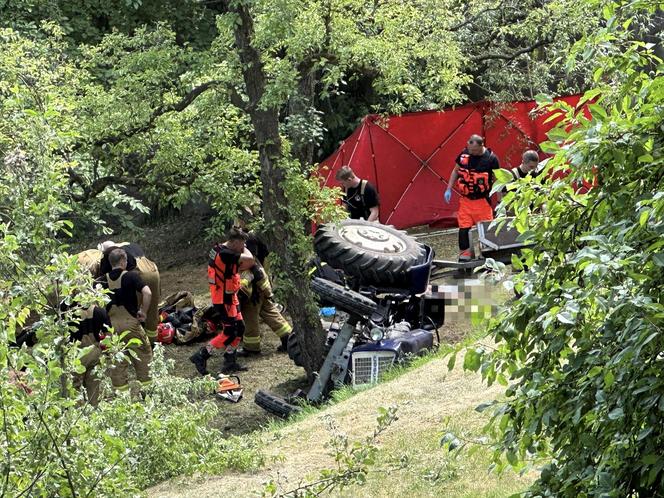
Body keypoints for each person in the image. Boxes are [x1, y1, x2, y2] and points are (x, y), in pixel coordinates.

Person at [189, 227, 255, 375]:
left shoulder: (218, 248)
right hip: (223, 299)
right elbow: (250, 260)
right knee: (230, 331)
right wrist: (245, 249)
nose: (244, 246)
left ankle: (230, 360)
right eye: (242, 243)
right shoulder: (226, 254)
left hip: (230, 297)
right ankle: (202, 355)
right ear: (235, 241)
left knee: (240, 328)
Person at [78, 241, 161, 345]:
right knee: (152, 310)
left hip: (138, 272)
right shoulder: (126, 246)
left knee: (129, 309)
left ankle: (133, 342)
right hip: (152, 269)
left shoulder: (108, 254)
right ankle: (153, 342)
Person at [102, 248, 153, 392]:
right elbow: (147, 292)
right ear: (123, 261)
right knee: (143, 356)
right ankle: (147, 392)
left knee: (116, 363)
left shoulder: (100, 280)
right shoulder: (131, 276)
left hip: (111, 327)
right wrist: (143, 311)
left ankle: (122, 397)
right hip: (130, 324)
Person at [443, 134, 501, 261]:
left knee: (486, 229)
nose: (472, 153)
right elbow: (455, 171)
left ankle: (487, 255)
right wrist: (448, 188)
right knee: (463, 228)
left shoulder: (492, 159)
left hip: (483, 202)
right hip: (466, 201)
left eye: (474, 150)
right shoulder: (464, 155)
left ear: (481, 145)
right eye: (470, 150)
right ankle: (465, 255)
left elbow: (498, 182)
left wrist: (499, 201)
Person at [237, 263, 292, 355]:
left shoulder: (241, 257)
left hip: (252, 295)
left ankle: (251, 348)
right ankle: (287, 338)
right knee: (271, 314)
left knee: (250, 321)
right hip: (261, 289)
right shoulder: (252, 257)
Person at [70, 304, 111, 406]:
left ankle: (77, 414)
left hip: (77, 354)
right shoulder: (100, 311)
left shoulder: (69, 313)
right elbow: (109, 335)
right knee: (94, 385)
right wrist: (107, 352)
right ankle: (94, 411)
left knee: (75, 387)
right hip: (95, 351)